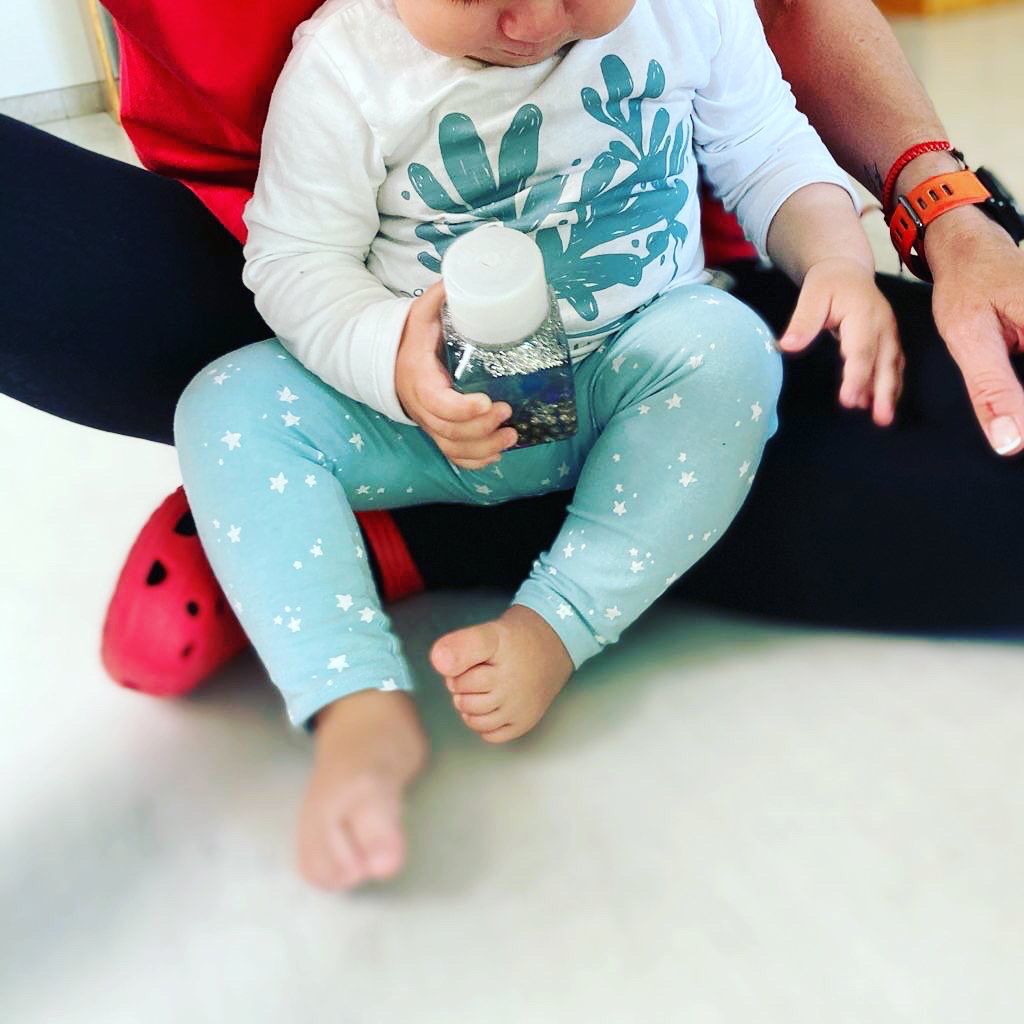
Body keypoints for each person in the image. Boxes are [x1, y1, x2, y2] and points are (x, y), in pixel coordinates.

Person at [1, 0, 1022, 875]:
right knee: (227, 407)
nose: (531, 25)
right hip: (440, 418)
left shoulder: (683, 12)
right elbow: (297, 263)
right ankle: (352, 703)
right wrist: (385, 356)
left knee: (727, 347)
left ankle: (557, 620)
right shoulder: (349, 62)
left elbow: (766, 146)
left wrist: (833, 259)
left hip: (634, 380)